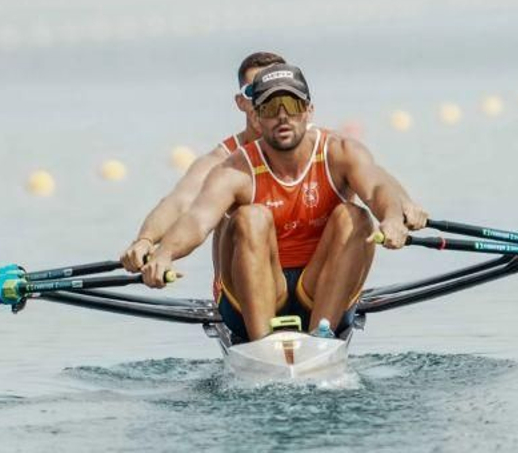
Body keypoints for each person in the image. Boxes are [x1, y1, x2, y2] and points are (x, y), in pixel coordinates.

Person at [140, 63, 427, 343]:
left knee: (356, 217)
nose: (282, 117)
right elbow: (196, 220)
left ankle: (322, 335)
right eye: (269, 108)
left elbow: (378, 186)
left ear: (309, 111)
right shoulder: (236, 168)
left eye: (292, 105)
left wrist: (391, 217)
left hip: (319, 288)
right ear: (256, 117)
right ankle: (262, 344)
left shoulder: (339, 152)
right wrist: (163, 254)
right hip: (253, 295)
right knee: (251, 217)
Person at [118, 51, 288, 276]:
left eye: (274, 89)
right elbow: (181, 202)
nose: (263, 99)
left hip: (309, 284)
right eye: (253, 91)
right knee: (242, 215)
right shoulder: (223, 160)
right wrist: (145, 240)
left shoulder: (323, 149)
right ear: (240, 102)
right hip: (244, 289)